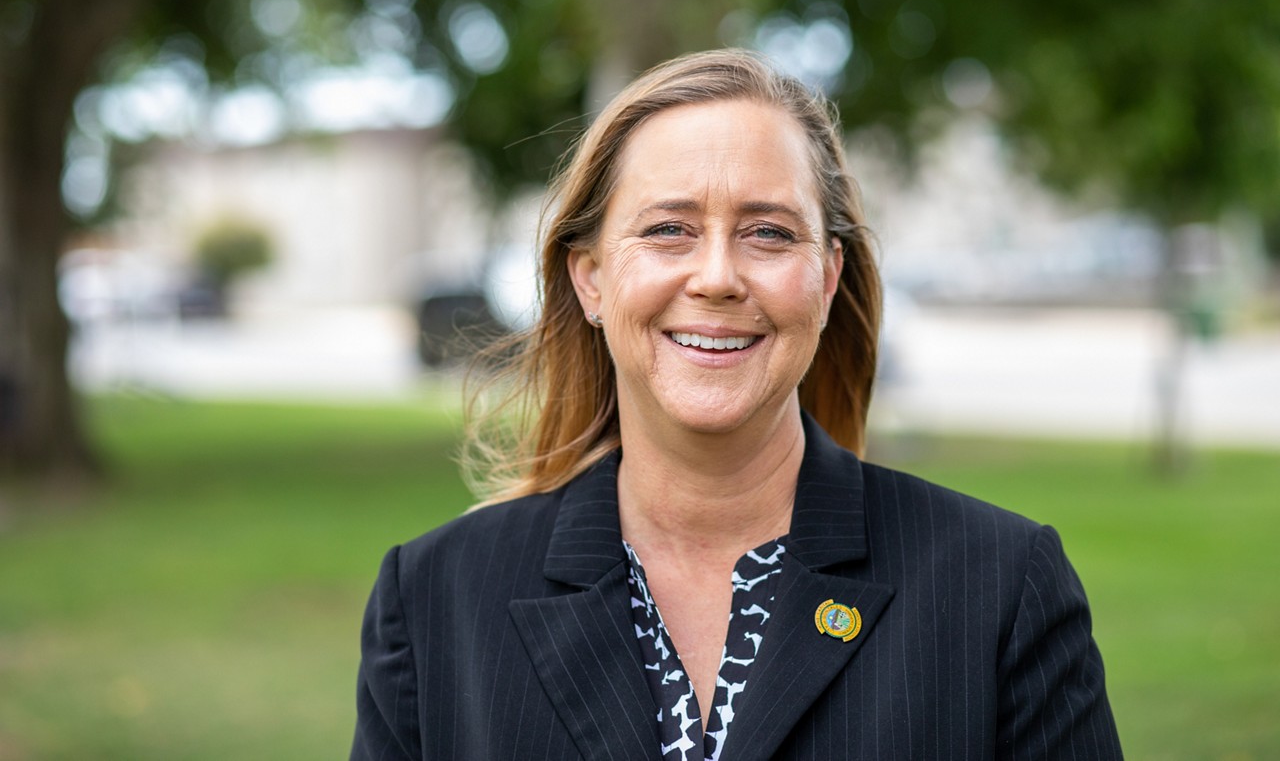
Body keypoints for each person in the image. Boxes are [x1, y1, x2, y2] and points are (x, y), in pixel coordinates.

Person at [350, 49, 1123, 760]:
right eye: (669, 229)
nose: (717, 276)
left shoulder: (998, 586)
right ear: (589, 280)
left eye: (768, 233)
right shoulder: (433, 601)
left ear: (826, 278)